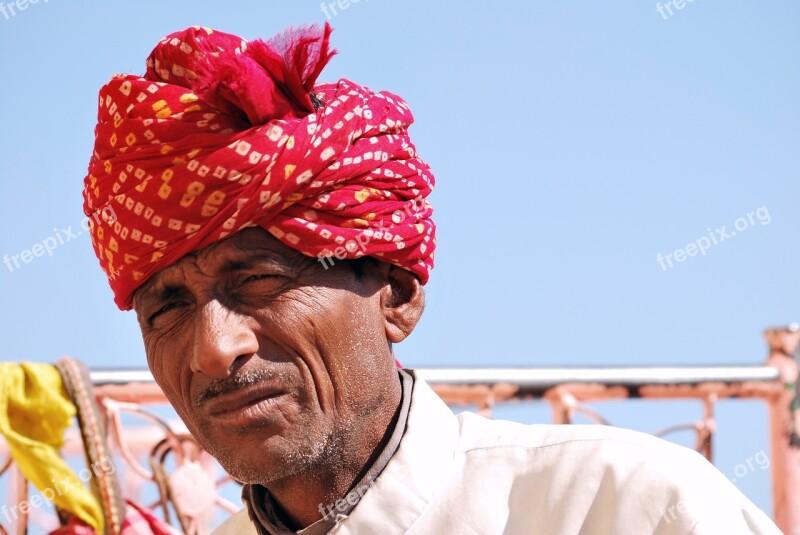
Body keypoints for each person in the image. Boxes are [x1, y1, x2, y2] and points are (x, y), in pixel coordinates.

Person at [82, 23, 781, 534]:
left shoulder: (628, 508)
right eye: (165, 308)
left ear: (397, 293)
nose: (213, 349)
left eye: (260, 281)